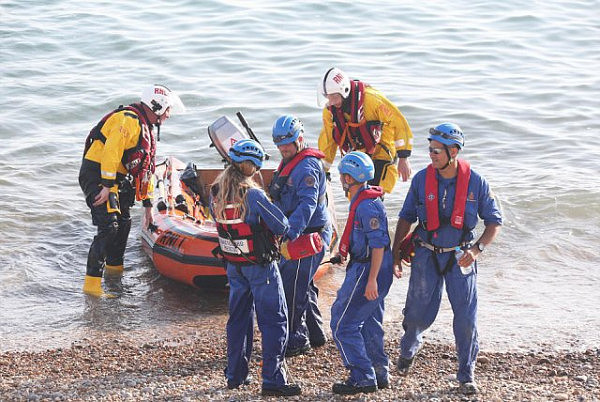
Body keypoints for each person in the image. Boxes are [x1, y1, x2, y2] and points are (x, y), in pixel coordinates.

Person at [391, 123, 502, 395]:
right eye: (430, 149)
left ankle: (466, 373)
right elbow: (406, 217)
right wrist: (394, 256)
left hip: (461, 257)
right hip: (425, 254)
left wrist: (475, 251)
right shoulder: (420, 179)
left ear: (454, 151)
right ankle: (408, 350)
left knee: (466, 319)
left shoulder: (476, 181)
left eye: (437, 150)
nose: (431, 154)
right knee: (416, 312)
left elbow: (494, 223)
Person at [210, 139, 301, 397]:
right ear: (253, 167)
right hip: (261, 268)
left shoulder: (215, 192)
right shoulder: (254, 195)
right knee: (275, 320)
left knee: (238, 318)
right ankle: (273, 379)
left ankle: (235, 375)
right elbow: (281, 226)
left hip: (234, 266)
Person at [79, 84, 185, 297]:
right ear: (157, 106)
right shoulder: (127, 120)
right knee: (109, 226)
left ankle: (114, 276)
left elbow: (146, 170)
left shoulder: (146, 128)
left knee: (124, 224)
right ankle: (91, 287)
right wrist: (107, 187)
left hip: (118, 178)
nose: (168, 115)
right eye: (167, 110)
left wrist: (147, 205)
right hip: (98, 174)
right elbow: (111, 152)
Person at [329, 151, 394, 395]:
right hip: (368, 265)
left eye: (343, 176)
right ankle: (379, 372)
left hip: (368, 269)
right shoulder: (367, 200)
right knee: (370, 321)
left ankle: (362, 376)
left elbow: (378, 245)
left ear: (349, 177)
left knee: (342, 323)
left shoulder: (367, 206)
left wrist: (372, 280)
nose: (341, 179)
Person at [268, 115, 333, 357]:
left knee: (292, 289)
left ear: (300, 139)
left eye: (288, 143)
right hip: (300, 232)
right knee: (304, 285)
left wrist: (289, 234)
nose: (283, 148)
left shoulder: (306, 167)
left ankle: (296, 339)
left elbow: (308, 205)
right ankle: (315, 334)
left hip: (307, 236)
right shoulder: (291, 160)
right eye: (280, 144)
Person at [317, 67, 413, 195]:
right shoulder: (329, 111)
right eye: (328, 97)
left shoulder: (372, 100)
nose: (332, 102)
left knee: (374, 194)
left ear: (344, 91)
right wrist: (323, 171)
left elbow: (399, 122)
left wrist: (403, 157)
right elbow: (328, 141)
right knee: (354, 194)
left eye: (335, 97)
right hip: (356, 153)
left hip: (381, 151)